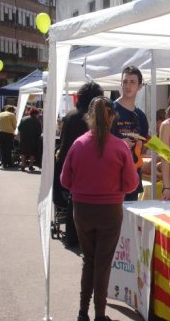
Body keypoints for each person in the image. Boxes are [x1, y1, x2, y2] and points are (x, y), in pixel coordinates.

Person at [60, 96, 139, 321]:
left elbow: (65, 180)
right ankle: (100, 315)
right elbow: (131, 184)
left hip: (82, 210)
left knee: (89, 260)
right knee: (103, 264)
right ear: (112, 117)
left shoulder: (78, 144)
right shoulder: (120, 147)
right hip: (110, 211)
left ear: (89, 117)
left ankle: (82, 312)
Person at [56, 81, 104, 248]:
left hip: (68, 162)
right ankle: (83, 236)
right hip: (88, 165)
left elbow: (64, 141)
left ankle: (72, 236)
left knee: (73, 201)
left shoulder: (70, 115)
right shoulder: (91, 118)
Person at [110, 66, 149, 201]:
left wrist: (139, 145)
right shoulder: (110, 110)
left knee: (130, 220)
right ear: (120, 83)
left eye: (132, 82)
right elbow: (99, 141)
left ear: (140, 86)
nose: (128, 85)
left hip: (132, 176)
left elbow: (142, 147)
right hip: (112, 177)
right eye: (125, 81)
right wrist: (120, 143)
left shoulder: (141, 116)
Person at [18, 106, 42, 172]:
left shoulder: (23, 119)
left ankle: (23, 165)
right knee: (32, 153)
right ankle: (30, 166)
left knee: (23, 152)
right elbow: (39, 131)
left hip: (23, 138)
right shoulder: (37, 121)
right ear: (36, 114)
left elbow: (19, 128)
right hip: (33, 140)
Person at [0, 105, 17, 169]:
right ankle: (9, 163)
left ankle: (4, 164)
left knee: (2, 148)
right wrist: (13, 130)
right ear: (12, 111)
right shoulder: (12, 115)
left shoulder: (0, 114)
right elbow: (14, 125)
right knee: (8, 148)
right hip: (8, 133)